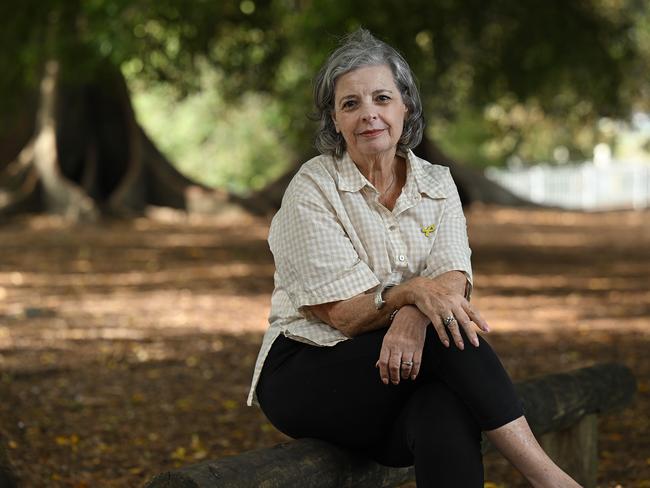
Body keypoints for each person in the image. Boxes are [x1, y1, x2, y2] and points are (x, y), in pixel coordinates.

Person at [247, 29, 580, 487]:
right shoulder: (313, 189)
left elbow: (453, 280)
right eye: (351, 104)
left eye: (382, 98)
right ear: (334, 120)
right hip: (309, 370)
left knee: (442, 411)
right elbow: (345, 315)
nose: (369, 114)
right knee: (452, 340)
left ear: (405, 106)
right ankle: (552, 481)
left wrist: (414, 317)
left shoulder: (437, 183)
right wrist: (414, 293)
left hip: (399, 371)